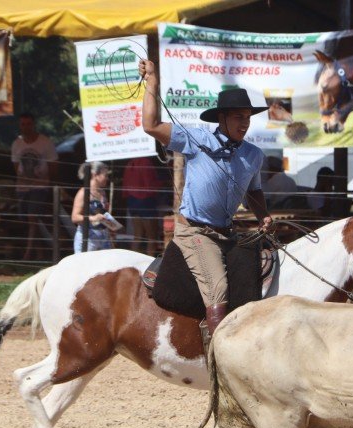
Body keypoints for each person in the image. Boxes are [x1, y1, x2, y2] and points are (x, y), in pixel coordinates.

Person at [139, 58, 273, 342]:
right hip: (195, 232)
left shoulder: (253, 155)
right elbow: (150, 125)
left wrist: (264, 217)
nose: (245, 123)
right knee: (218, 289)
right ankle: (219, 356)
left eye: (248, 117)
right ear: (222, 118)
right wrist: (152, 82)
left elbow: (254, 191)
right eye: (239, 117)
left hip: (227, 233)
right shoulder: (195, 139)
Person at [11, 112, 58, 261]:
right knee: (28, 221)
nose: (26, 127)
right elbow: (16, 167)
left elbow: (53, 166)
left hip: (40, 187)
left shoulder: (45, 142)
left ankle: (28, 254)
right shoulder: (16, 144)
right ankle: (39, 253)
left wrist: (42, 177)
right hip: (22, 188)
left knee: (33, 217)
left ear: (34, 124)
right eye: (23, 124)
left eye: (28, 124)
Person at [122, 156, 162, 255]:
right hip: (145, 201)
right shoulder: (145, 162)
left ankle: (132, 262)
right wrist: (161, 184)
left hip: (132, 201)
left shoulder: (130, 163)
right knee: (152, 237)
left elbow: (125, 185)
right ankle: (150, 264)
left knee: (138, 235)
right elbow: (149, 185)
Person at [71, 161, 113, 253]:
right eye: (105, 175)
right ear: (95, 175)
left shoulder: (102, 192)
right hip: (88, 238)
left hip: (103, 237)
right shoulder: (83, 193)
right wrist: (93, 218)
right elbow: (74, 217)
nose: (107, 178)